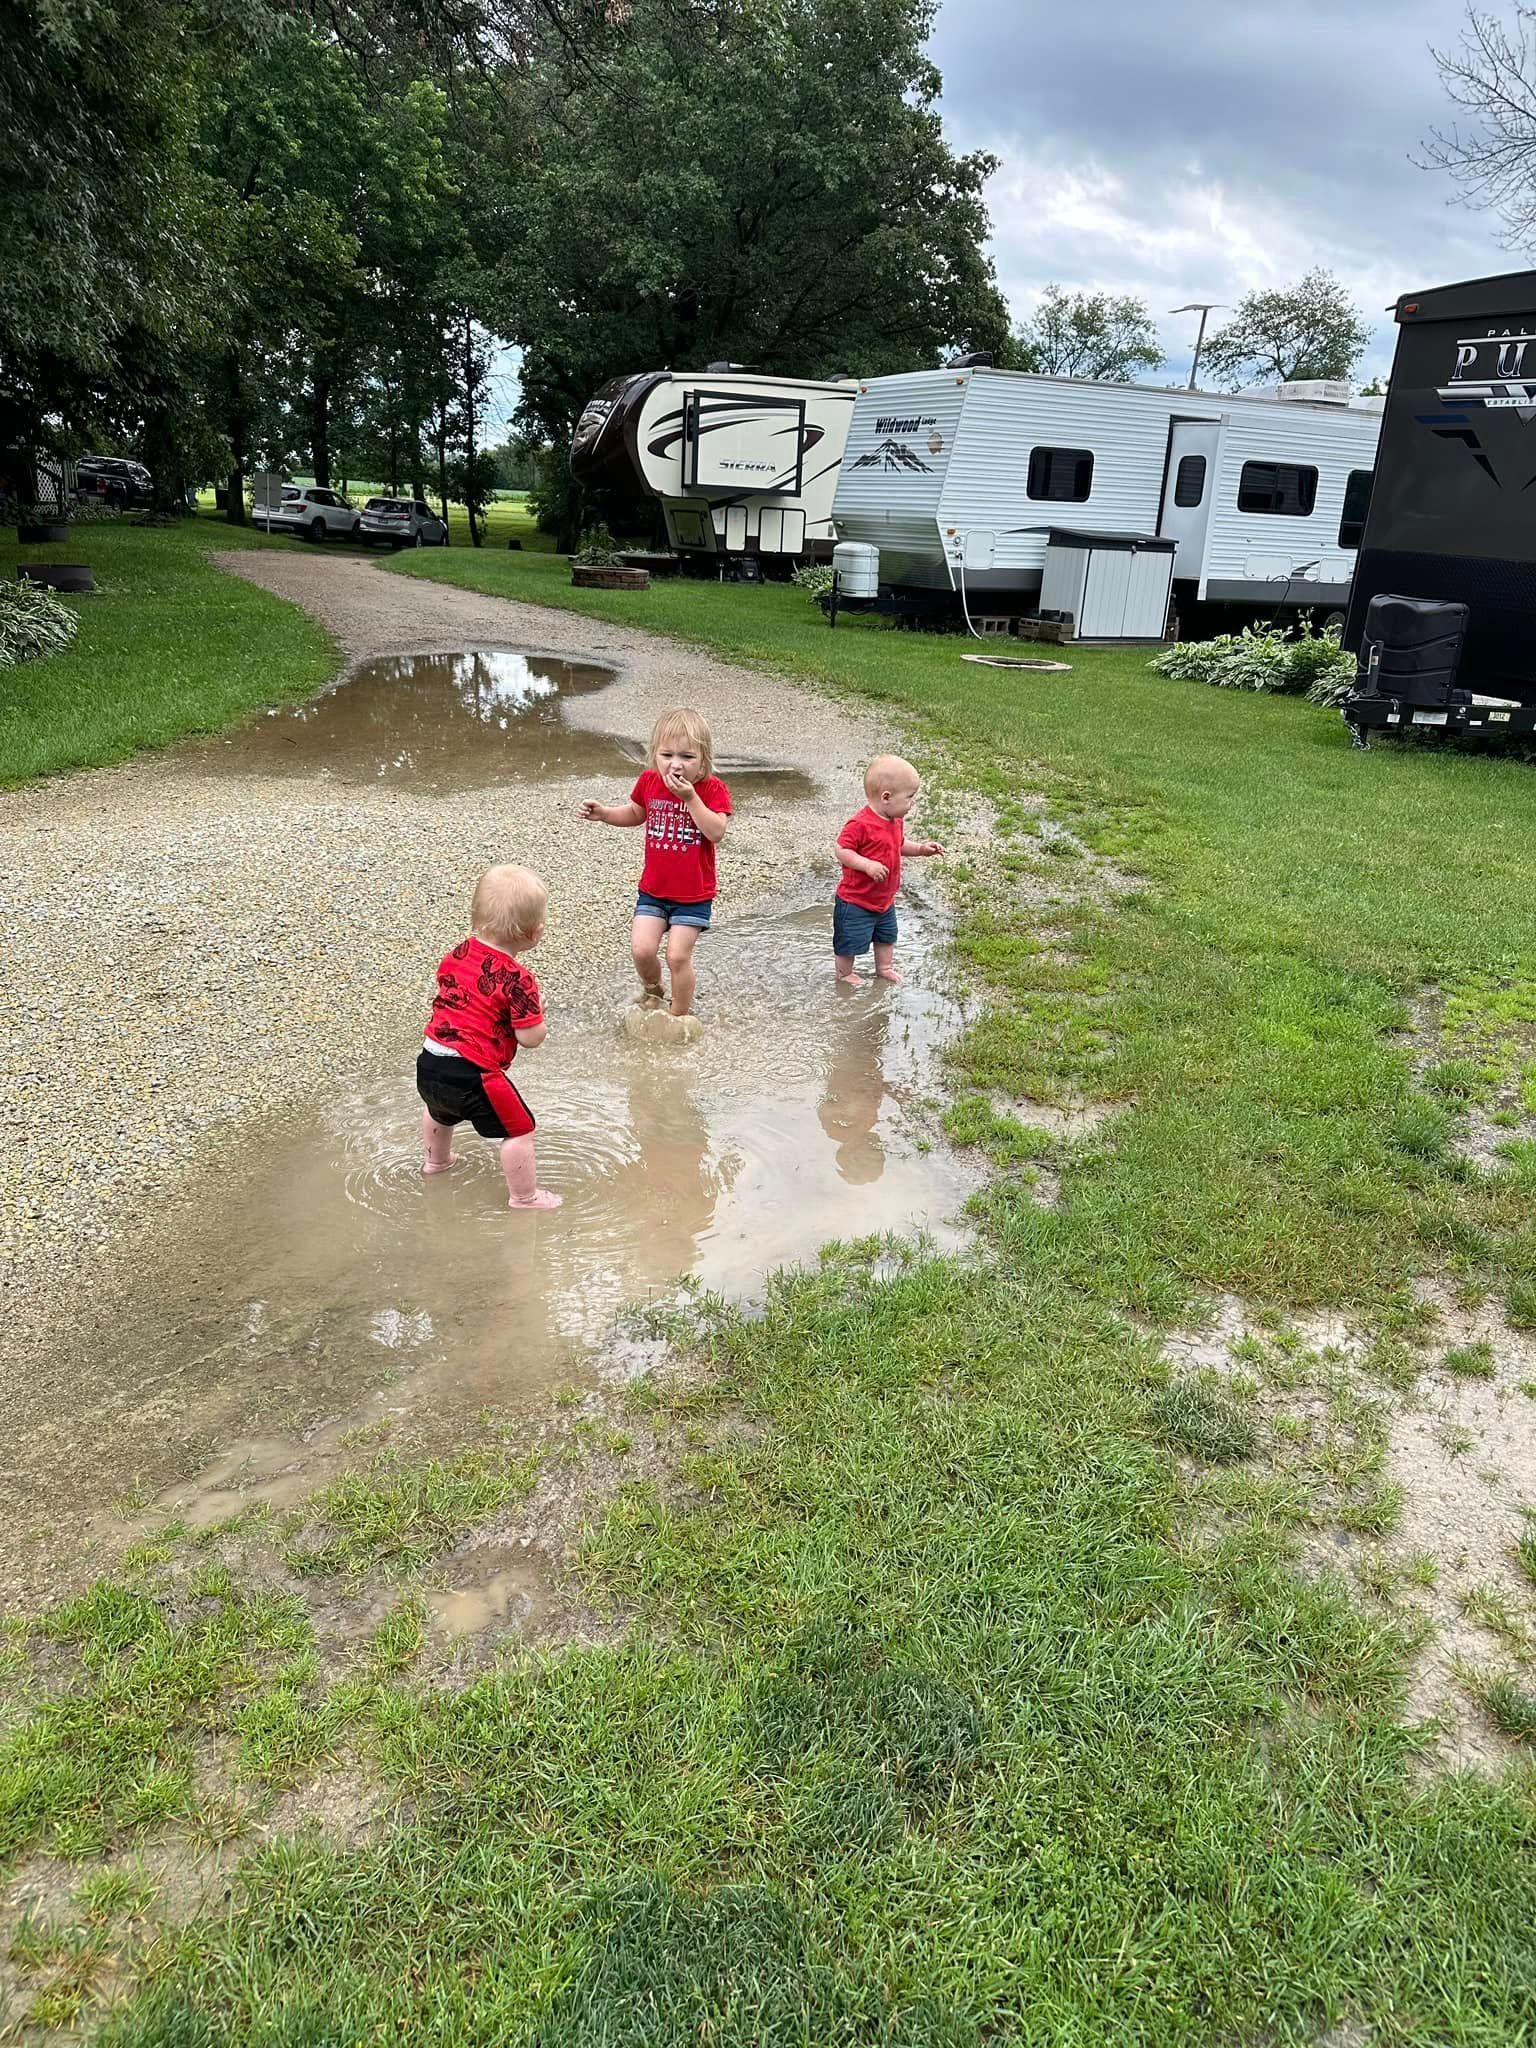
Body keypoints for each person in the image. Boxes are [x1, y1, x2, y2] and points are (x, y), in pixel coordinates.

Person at [416, 864, 562, 1211]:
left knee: (439, 1112)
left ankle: (436, 1163)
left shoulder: (456, 954)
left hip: (430, 1059)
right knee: (520, 1130)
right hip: (474, 1070)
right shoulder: (519, 979)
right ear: (534, 933)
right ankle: (525, 1198)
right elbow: (530, 1038)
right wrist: (535, 1015)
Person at [578, 708, 732, 1018]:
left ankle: (680, 1016)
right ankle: (653, 989)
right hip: (654, 891)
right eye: (667, 754)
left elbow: (716, 832)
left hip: (693, 896)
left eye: (687, 757)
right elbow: (636, 813)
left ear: (704, 758)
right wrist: (605, 814)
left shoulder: (711, 789)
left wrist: (691, 799)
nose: (676, 764)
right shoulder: (649, 781)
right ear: (654, 755)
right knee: (642, 950)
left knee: (677, 957)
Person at [833, 754, 944, 986]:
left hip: (884, 900)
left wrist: (922, 849)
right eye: (910, 797)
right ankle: (844, 973)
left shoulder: (895, 822)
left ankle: (884, 967)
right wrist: (867, 864)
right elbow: (842, 849)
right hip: (856, 901)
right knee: (849, 941)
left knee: (886, 937)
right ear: (886, 797)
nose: (912, 803)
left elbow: (899, 844)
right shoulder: (860, 824)